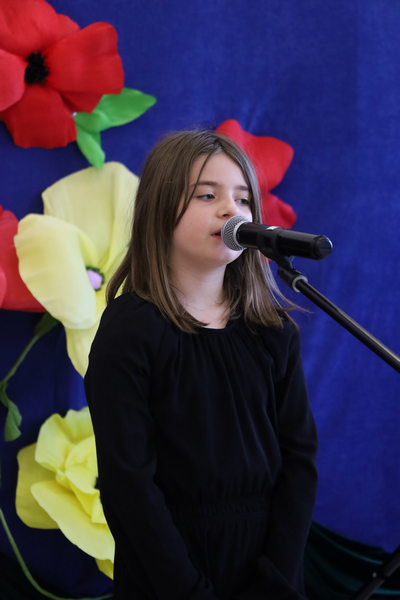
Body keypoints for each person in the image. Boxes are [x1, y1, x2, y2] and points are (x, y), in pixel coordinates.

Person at [84, 130, 318, 600]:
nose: (231, 210)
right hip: (170, 570)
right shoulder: (131, 332)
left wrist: (274, 582)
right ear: (160, 209)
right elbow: (129, 485)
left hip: (267, 568)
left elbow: (299, 461)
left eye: (243, 199)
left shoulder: (272, 332)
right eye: (207, 195)